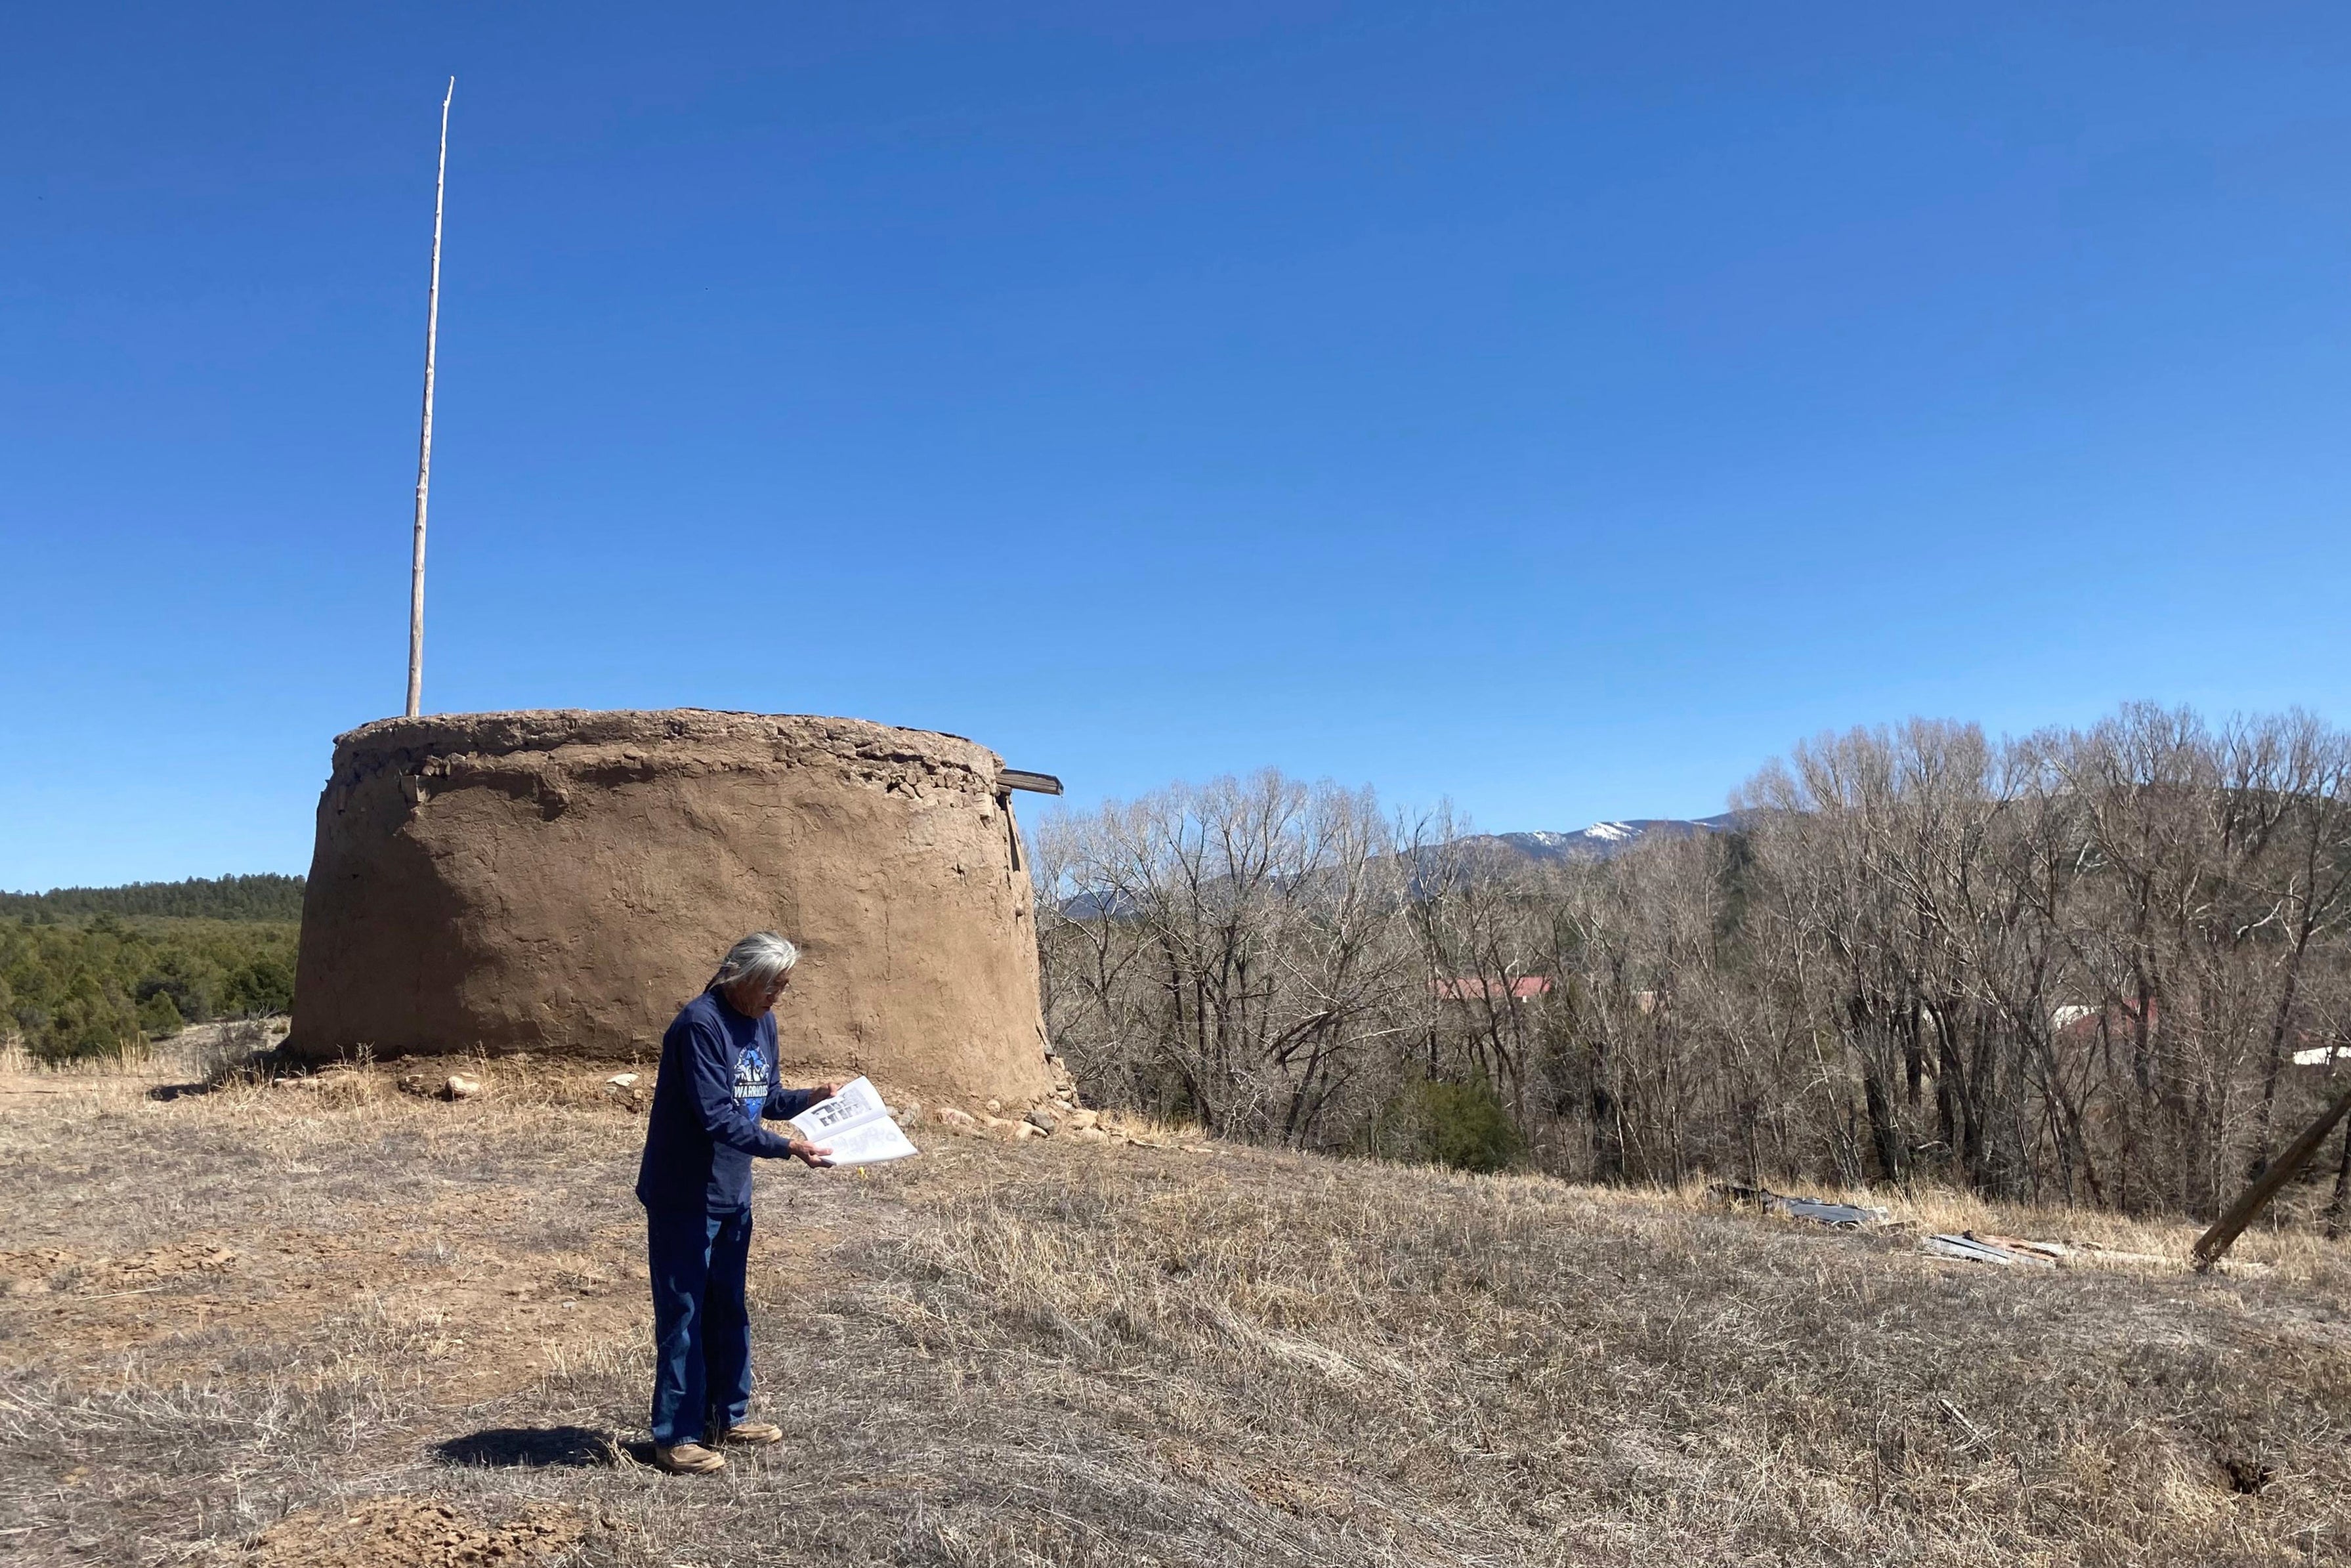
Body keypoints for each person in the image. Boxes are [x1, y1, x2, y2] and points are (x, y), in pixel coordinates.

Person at [635, 931, 845, 1475]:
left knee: (728, 1303)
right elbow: (717, 1116)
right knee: (684, 1311)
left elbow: (764, 1097)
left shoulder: (761, 1022)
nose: (780, 994)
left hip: (731, 1190)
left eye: (785, 985)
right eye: (773, 984)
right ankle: (675, 1435)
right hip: (684, 1193)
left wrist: (814, 1097)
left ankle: (727, 1416)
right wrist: (788, 1147)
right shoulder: (699, 1025)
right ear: (742, 976)